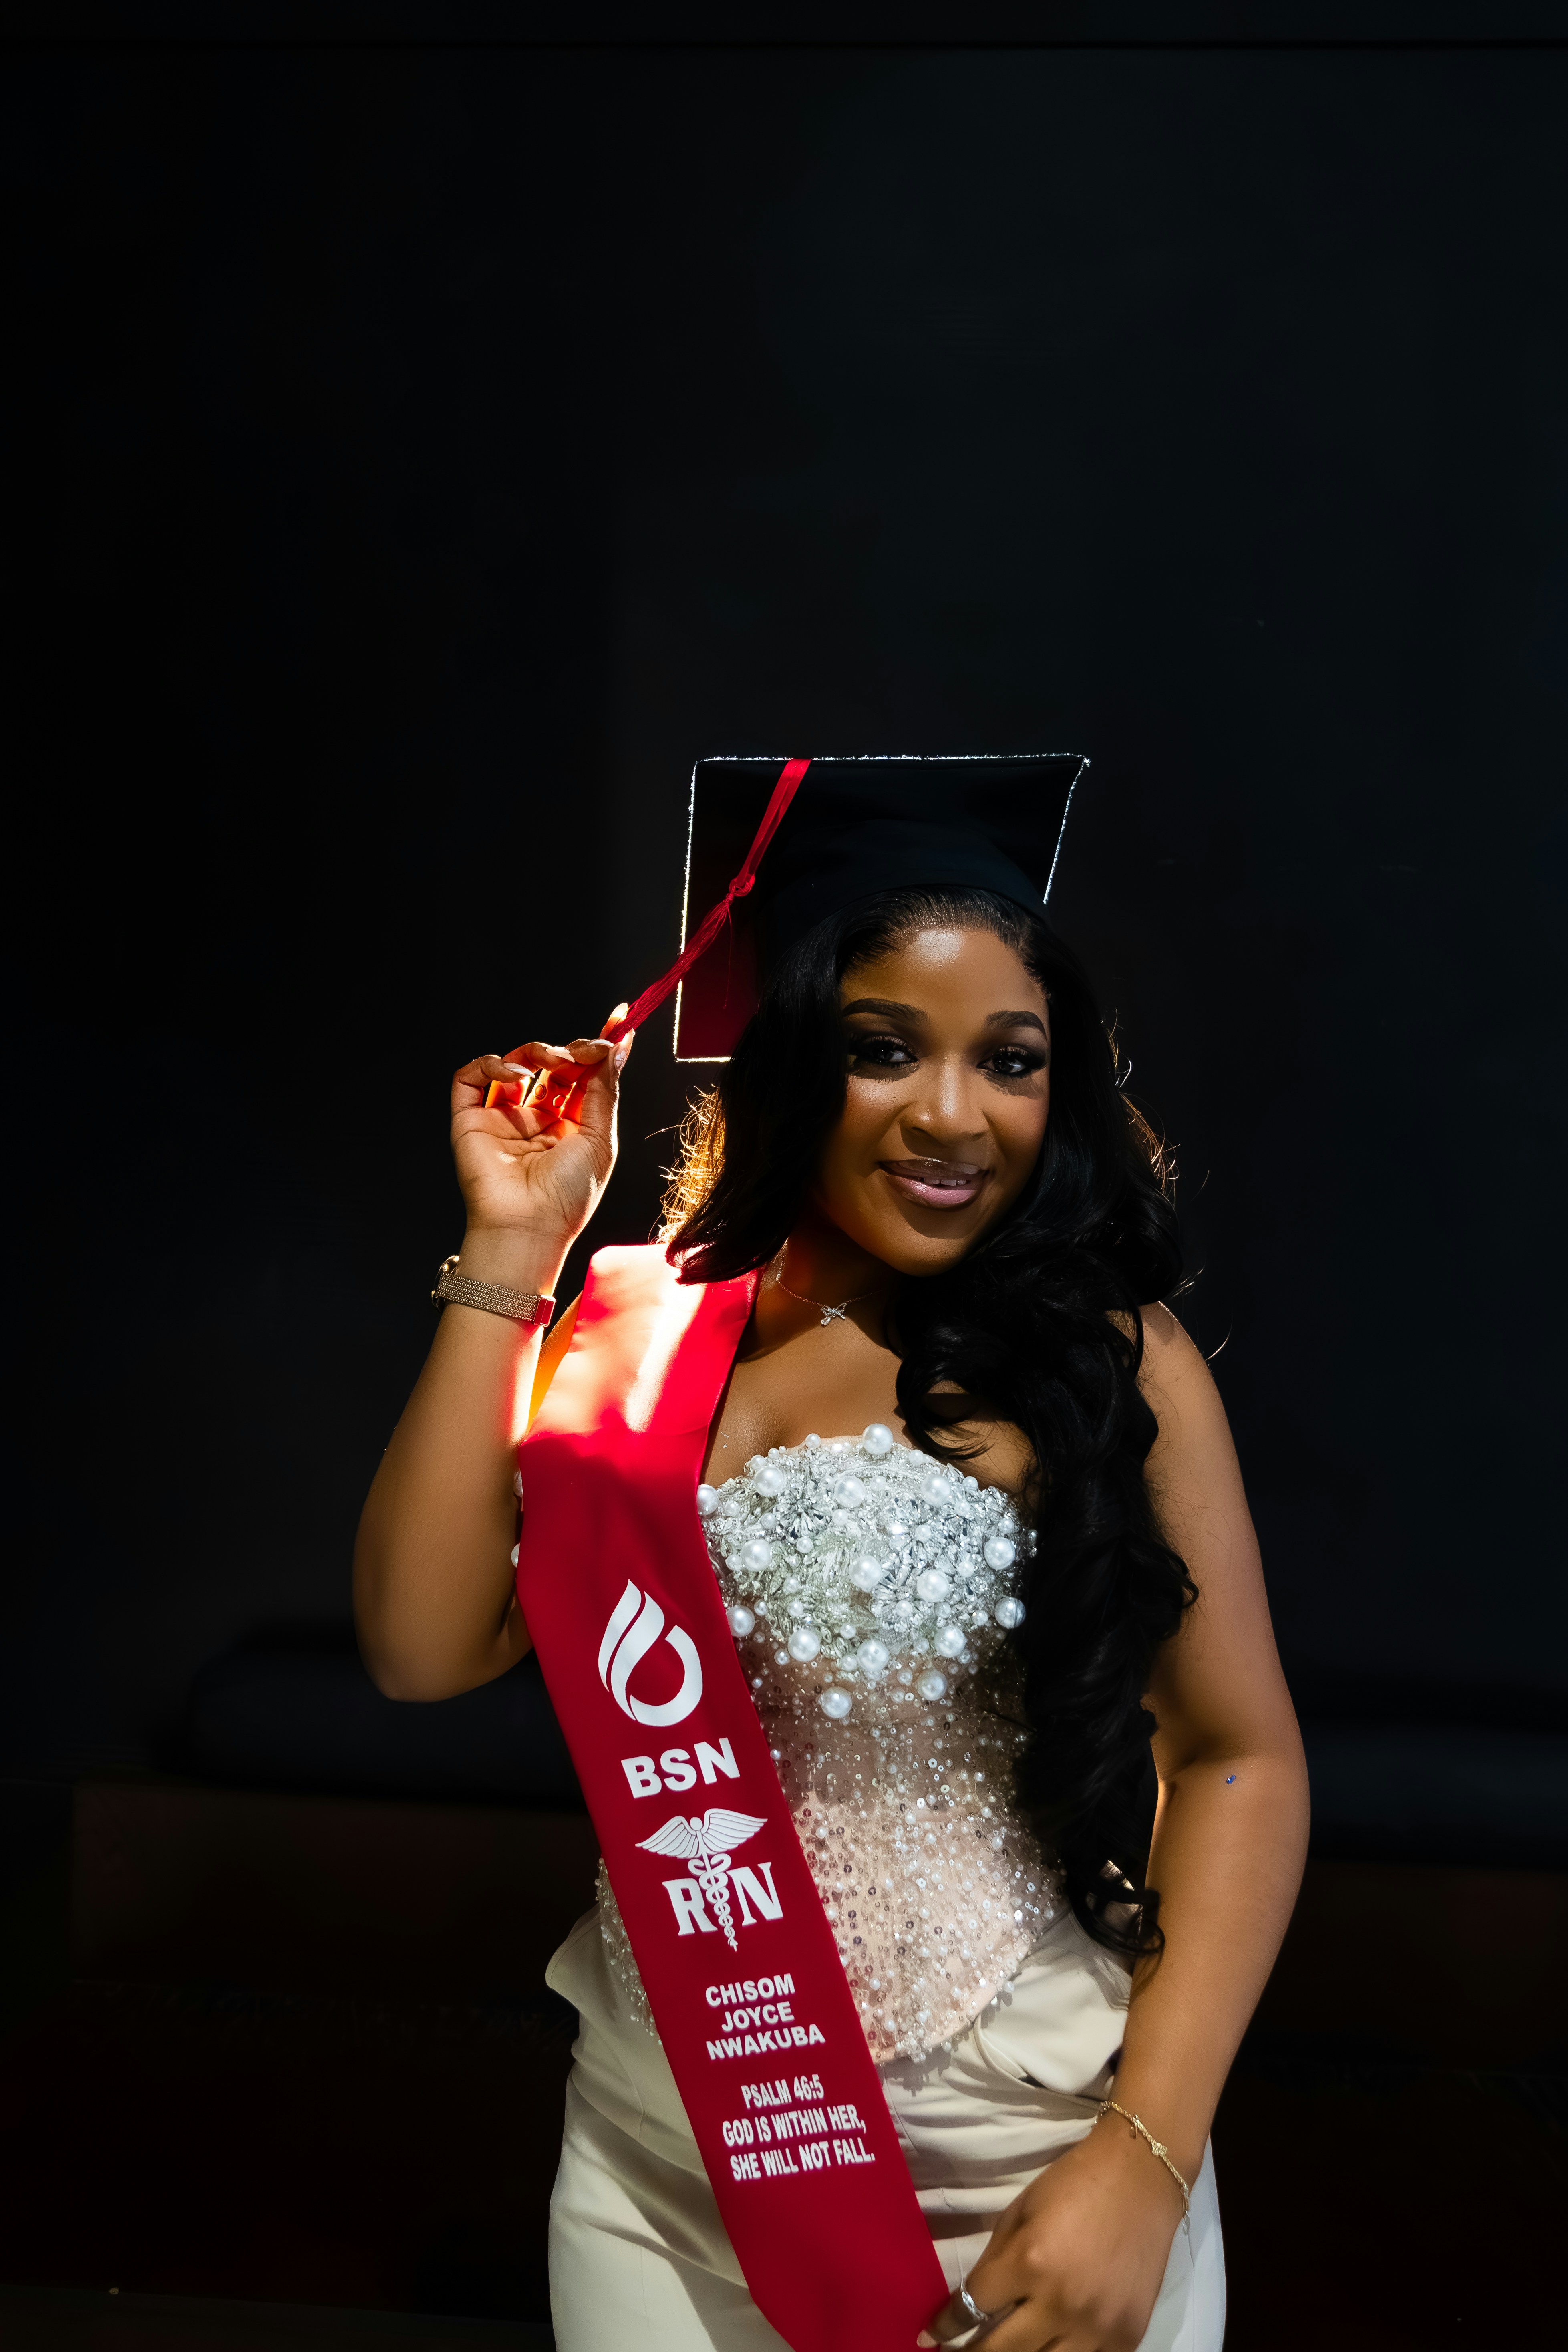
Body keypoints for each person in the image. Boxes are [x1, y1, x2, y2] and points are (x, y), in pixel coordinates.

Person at [354, 756, 1309, 2352]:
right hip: (672, 2163)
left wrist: (1150, 2151)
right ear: (792, 1056)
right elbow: (421, 1646)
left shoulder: (1105, 1359)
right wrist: (514, 1255)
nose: (953, 1115)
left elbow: (1235, 1755)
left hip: (1036, 2166)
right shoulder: (630, 1339)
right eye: (883, 1051)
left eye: (1009, 1060)